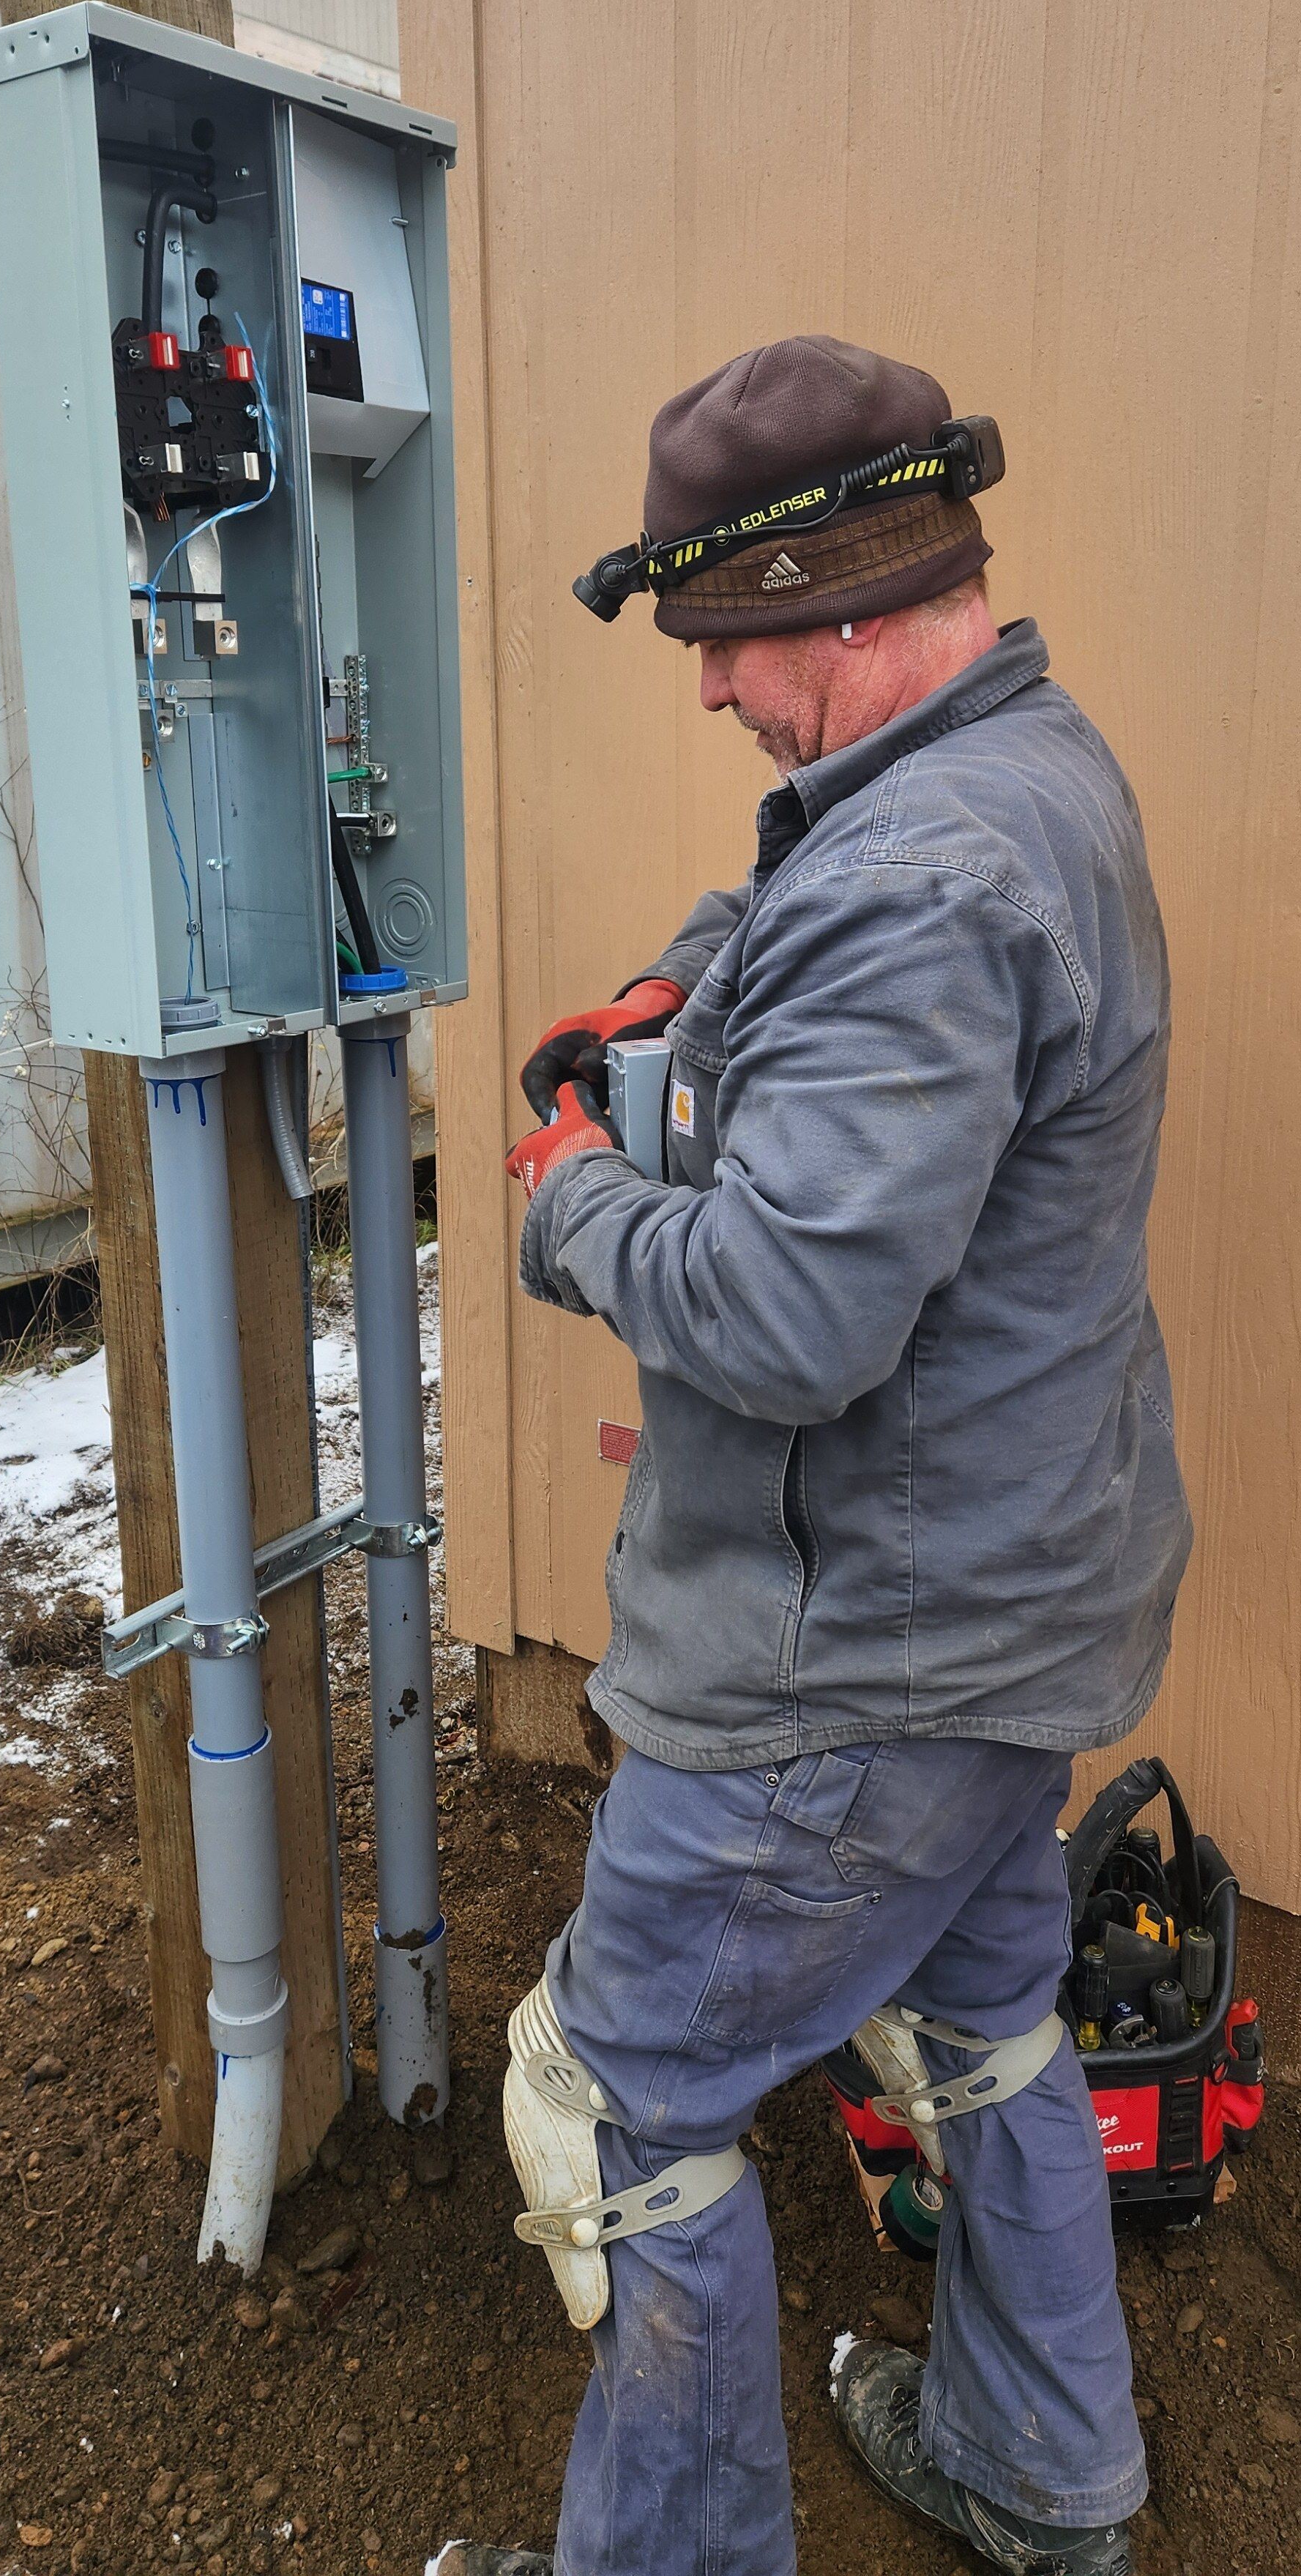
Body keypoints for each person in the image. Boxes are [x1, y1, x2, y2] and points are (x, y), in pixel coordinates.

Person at [432, 337, 1192, 2576]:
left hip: (846, 1671)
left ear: (848, 597)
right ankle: (1049, 2482)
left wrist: (566, 1193)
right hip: (1017, 1605)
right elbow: (803, 905)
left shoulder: (924, 881)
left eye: (720, 640)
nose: (701, 695)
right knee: (984, 2025)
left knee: (609, 2108)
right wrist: (676, 995)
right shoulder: (1023, 771)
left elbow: (785, 1315)